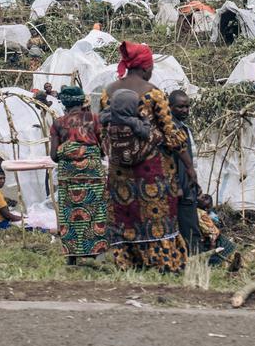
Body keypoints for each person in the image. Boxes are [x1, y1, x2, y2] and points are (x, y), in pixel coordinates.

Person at [101, 41, 188, 273]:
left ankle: (128, 262)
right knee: (157, 219)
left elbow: (104, 131)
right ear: (146, 67)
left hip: (119, 171)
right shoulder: (153, 94)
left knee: (125, 218)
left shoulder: (107, 93)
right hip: (152, 171)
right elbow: (172, 136)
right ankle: (163, 262)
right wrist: (188, 163)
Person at [49, 86, 108, 263]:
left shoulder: (58, 123)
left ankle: (72, 257)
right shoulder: (95, 120)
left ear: (63, 102)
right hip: (93, 173)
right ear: (83, 100)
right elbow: (104, 150)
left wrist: (70, 151)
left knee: (70, 213)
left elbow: (53, 156)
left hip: (69, 175)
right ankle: (97, 253)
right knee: (96, 211)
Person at [168, 90, 202, 255]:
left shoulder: (183, 128)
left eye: (187, 107)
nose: (185, 110)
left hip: (187, 185)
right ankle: (195, 259)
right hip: (180, 188)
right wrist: (177, 184)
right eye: (180, 107)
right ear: (170, 107)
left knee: (190, 224)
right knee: (188, 227)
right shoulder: (172, 130)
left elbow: (191, 160)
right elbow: (170, 162)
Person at [197, 194, 241, 270]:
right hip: (209, 239)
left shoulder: (202, 213)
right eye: (202, 197)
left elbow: (211, 228)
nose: (202, 197)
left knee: (227, 247)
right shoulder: (200, 213)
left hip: (212, 237)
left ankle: (232, 261)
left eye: (204, 198)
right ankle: (228, 264)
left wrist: (214, 234)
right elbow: (210, 230)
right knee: (220, 252)